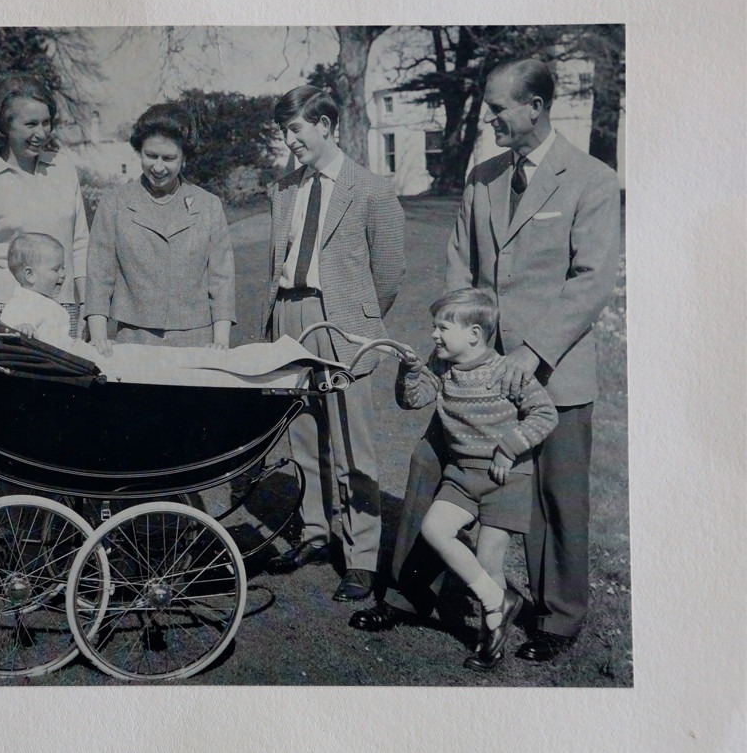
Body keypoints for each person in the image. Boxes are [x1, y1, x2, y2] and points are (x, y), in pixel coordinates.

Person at [350, 58, 621, 664]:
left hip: (554, 374)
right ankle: (414, 589)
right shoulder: (482, 178)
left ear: (536, 107)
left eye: (499, 109)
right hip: (474, 371)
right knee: (431, 465)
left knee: (554, 497)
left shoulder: (592, 180)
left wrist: (530, 353)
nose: (491, 120)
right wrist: (455, 342)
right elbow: (459, 266)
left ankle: (557, 618)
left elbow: (591, 279)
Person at [262, 85, 406, 602]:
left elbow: (388, 272)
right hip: (290, 314)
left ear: (325, 125)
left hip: (342, 321)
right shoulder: (283, 190)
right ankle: (316, 534)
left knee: (352, 444)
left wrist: (359, 321)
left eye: (295, 128)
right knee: (303, 436)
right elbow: (277, 261)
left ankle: (362, 556)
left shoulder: (370, 189)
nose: (288, 139)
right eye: (283, 130)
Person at [397, 288, 558, 670]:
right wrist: (409, 370)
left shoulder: (507, 371)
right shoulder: (441, 369)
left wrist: (509, 446)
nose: (434, 335)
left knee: (490, 557)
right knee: (435, 529)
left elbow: (545, 414)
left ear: (473, 334)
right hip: (461, 476)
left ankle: (490, 642)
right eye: (434, 327)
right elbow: (413, 400)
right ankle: (495, 599)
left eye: (441, 328)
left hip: (506, 478)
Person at [84, 104, 236, 356]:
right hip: (133, 338)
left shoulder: (208, 205)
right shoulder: (115, 203)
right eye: (150, 155)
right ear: (138, 152)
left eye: (168, 158)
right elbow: (99, 276)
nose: (158, 167)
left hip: (197, 339)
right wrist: (99, 338)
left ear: (184, 157)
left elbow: (221, 279)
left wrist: (220, 341)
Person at [0, 75, 88, 334]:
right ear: (6, 126)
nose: (41, 133)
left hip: (64, 308)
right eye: (30, 124)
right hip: (5, 312)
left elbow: (81, 243)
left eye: (46, 123)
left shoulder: (63, 169)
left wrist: (87, 305)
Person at [0, 232, 75, 350]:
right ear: (30, 275)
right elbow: (7, 333)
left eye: (63, 268)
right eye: (56, 269)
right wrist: (22, 328)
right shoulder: (21, 303)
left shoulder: (53, 305)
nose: (63, 274)